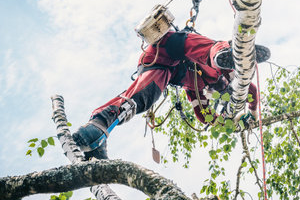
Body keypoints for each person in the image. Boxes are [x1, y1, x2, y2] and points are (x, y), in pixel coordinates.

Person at [73, 30, 270, 159]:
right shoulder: (223, 70)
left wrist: (231, 123)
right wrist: (253, 114)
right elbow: (251, 91)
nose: (219, 86)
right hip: (174, 45)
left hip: (161, 65)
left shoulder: (195, 88)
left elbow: (204, 116)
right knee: (211, 50)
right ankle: (225, 53)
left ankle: (98, 128)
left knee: (143, 97)